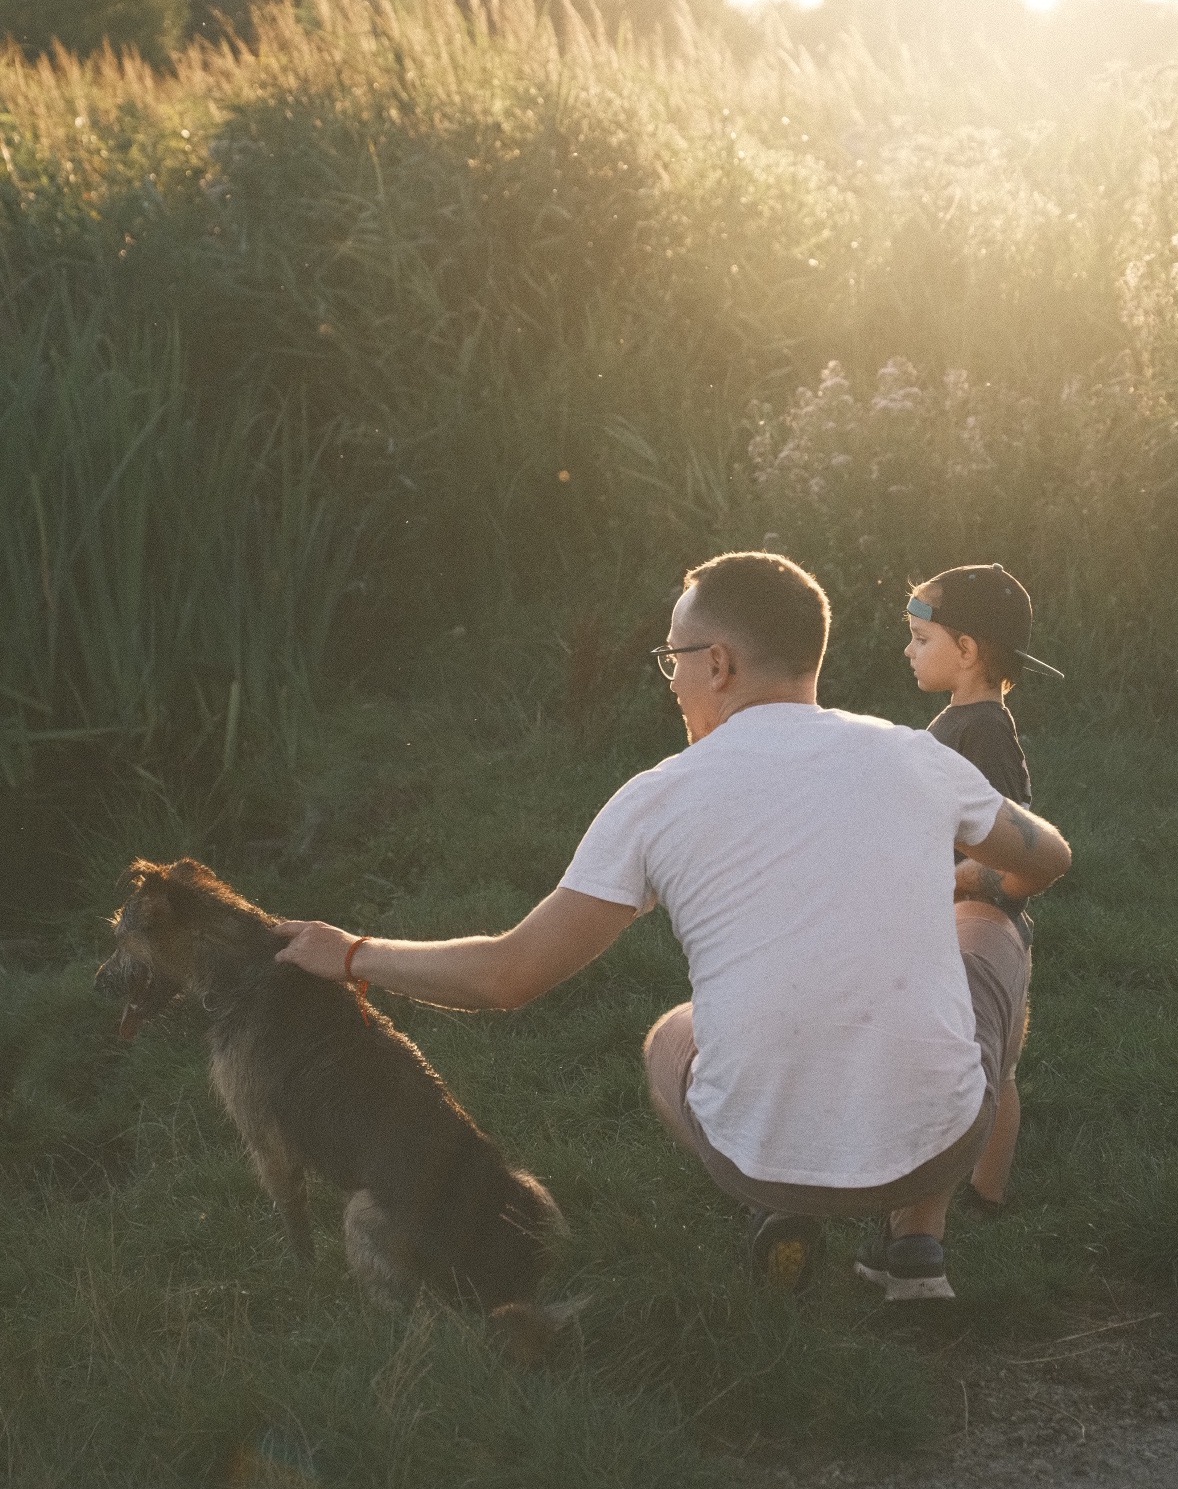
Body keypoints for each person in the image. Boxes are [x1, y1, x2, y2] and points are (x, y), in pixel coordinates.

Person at [275, 551, 1071, 1303]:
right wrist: (975, 889)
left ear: (718, 662)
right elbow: (1052, 855)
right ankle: (915, 1246)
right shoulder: (913, 756)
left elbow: (507, 974)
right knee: (990, 933)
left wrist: (353, 954)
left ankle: (780, 1205)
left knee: (670, 1037)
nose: (673, 679)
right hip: (937, 1143)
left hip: (755, 1162)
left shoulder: (654, 799)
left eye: (675, 658)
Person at [902, 563, 1064, 1219]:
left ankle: (983, 1196)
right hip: (954, 919)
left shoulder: (985, 729)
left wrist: (958, 878)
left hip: (981, 927)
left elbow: (1012, 832)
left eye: (920, 639)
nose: (909, 651)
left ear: (965, 650)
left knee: (989, 1066)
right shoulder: (958, 720)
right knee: (984, 1061)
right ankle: (972, 1191)